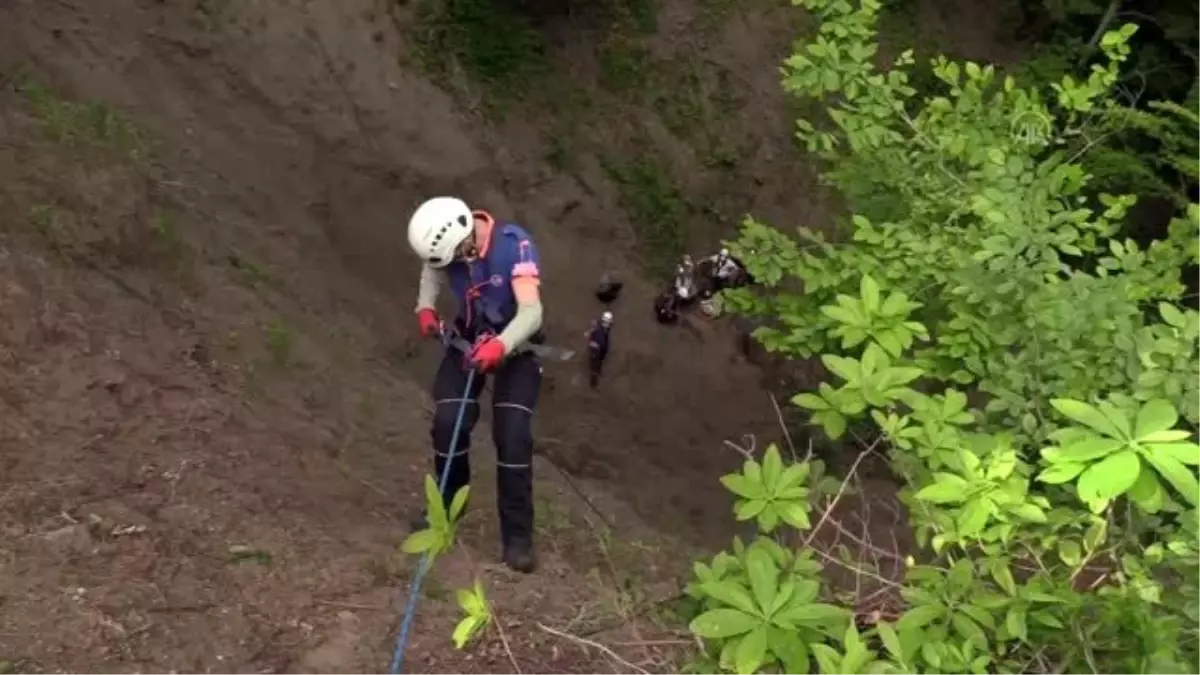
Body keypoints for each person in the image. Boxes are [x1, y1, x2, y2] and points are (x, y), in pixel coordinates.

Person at [407, 196, 544, 573]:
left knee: (513, 435)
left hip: (516, 344)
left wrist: (502, 344)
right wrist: (426, 306)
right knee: (448, 421)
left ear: (466, 238)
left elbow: (532, 311)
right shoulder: (447, 249)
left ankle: (518, 537)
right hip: (470, 338)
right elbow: (432, 269)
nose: (451, 265)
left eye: (454, 258)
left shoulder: (515, 246)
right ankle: (449, 503)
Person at [584, 311, 613, 389]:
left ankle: (597, 370)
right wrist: (593, 344)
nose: (607, 325)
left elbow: (592, 331)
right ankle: (593, 380)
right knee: (595, 366)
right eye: (606, 323)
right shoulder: (599, 331)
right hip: (596, 353)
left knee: (599, 362)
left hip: (601, 351)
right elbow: (592, 342)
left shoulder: (602, 329)